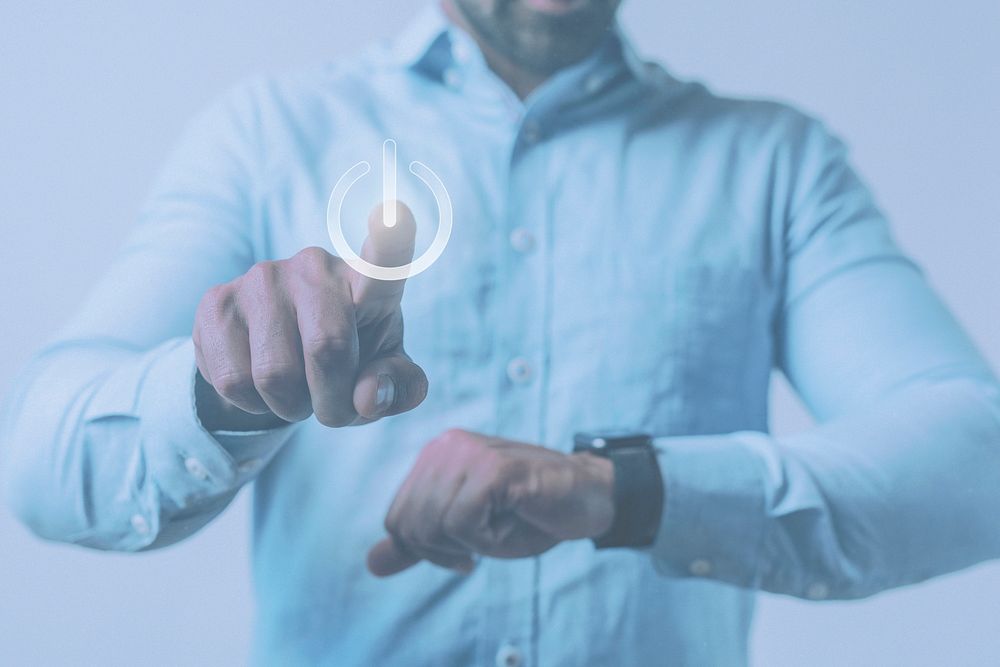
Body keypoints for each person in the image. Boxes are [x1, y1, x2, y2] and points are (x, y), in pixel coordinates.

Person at [3, 0, 1000, 664]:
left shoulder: (775, 163)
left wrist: (622, 489)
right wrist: (220, 390)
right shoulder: (270, 136)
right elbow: (45, 465)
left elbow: (976, 459)